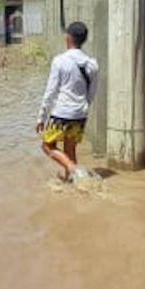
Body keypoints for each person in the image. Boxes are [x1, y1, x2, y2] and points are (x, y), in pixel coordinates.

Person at [36, 22, 99, 182]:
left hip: (62, 113)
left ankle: (74, 170)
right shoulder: (92, 64)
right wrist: (82, 108)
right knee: (70, 150)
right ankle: (72, 182)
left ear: (69, 38)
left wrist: (41, 117)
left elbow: (50, 92)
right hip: (80, 113)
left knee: (47, 146)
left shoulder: (59, 61)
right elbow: (91, 94)